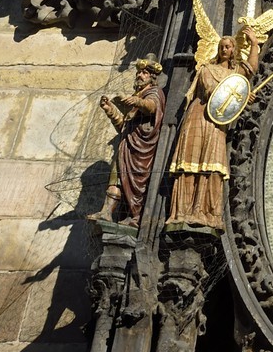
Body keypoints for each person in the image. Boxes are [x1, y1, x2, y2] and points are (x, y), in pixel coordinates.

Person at [168, 29, 258, 230]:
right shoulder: (207, 69)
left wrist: (254, 44)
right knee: (191, 162)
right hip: (199, 116)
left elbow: (251, 69)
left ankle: (207, 212)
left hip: (217, 123)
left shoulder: (235, 74)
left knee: (214, 164)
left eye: (228, 47)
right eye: (221, 47)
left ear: (234, 50)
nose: (224, 49)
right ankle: (182, 211)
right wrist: (242, 96)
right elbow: (211, 92)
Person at [90, 56, 166, 226]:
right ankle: (106, 212)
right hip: (126, 145)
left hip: (141, 148)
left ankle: (135, 216)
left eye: (145, 73)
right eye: (139, 72)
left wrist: (138, 101)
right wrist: (110, 110)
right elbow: (124, 126)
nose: (140, 75)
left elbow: (152, 107)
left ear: (152, 77)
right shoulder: (135, 96)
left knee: (137, 182)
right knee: (116, 178)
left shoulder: (155, 93)